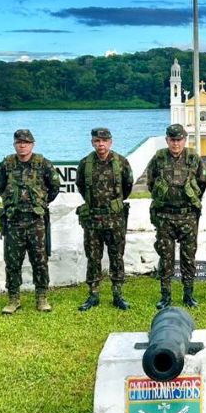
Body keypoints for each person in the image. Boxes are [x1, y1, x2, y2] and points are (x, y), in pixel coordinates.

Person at [0, 129, 60, 314]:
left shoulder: (43, 164)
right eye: (19, 143)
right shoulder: (7, 164)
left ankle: (41, 297)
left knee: (40, 260)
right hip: (13, 220)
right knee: (12, 262)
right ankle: (13, 299)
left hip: (35, 221)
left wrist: (41, 202)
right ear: (14, 145)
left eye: (26, 143)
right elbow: (0, 185)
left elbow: (54, 186)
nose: (22, 146)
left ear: (32, 144)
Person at [145, 123, 206, 309]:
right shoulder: (159, 158)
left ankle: (188, 294)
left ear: (184, 140)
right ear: (167, 140)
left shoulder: (193, 158)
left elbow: (202, 183)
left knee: (188, 257)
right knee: (166, 257)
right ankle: (165, 295)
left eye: (179, 140)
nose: (176, 143)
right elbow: (150, 182)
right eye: (172, 140)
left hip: (188, 216)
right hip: (165, 216)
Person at [76, 127, 134, 311]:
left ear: (110, 142)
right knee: (93, 257)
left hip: (115, 219)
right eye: (97, 141)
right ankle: (93, 294)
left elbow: (128, 186)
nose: (101, 144)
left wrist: (114, 205)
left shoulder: (121, 162)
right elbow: (81, 186)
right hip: (93, 219)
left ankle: (118, 294)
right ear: (92, 142)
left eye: (104, 141)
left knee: (117, 256)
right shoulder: (85, 164)